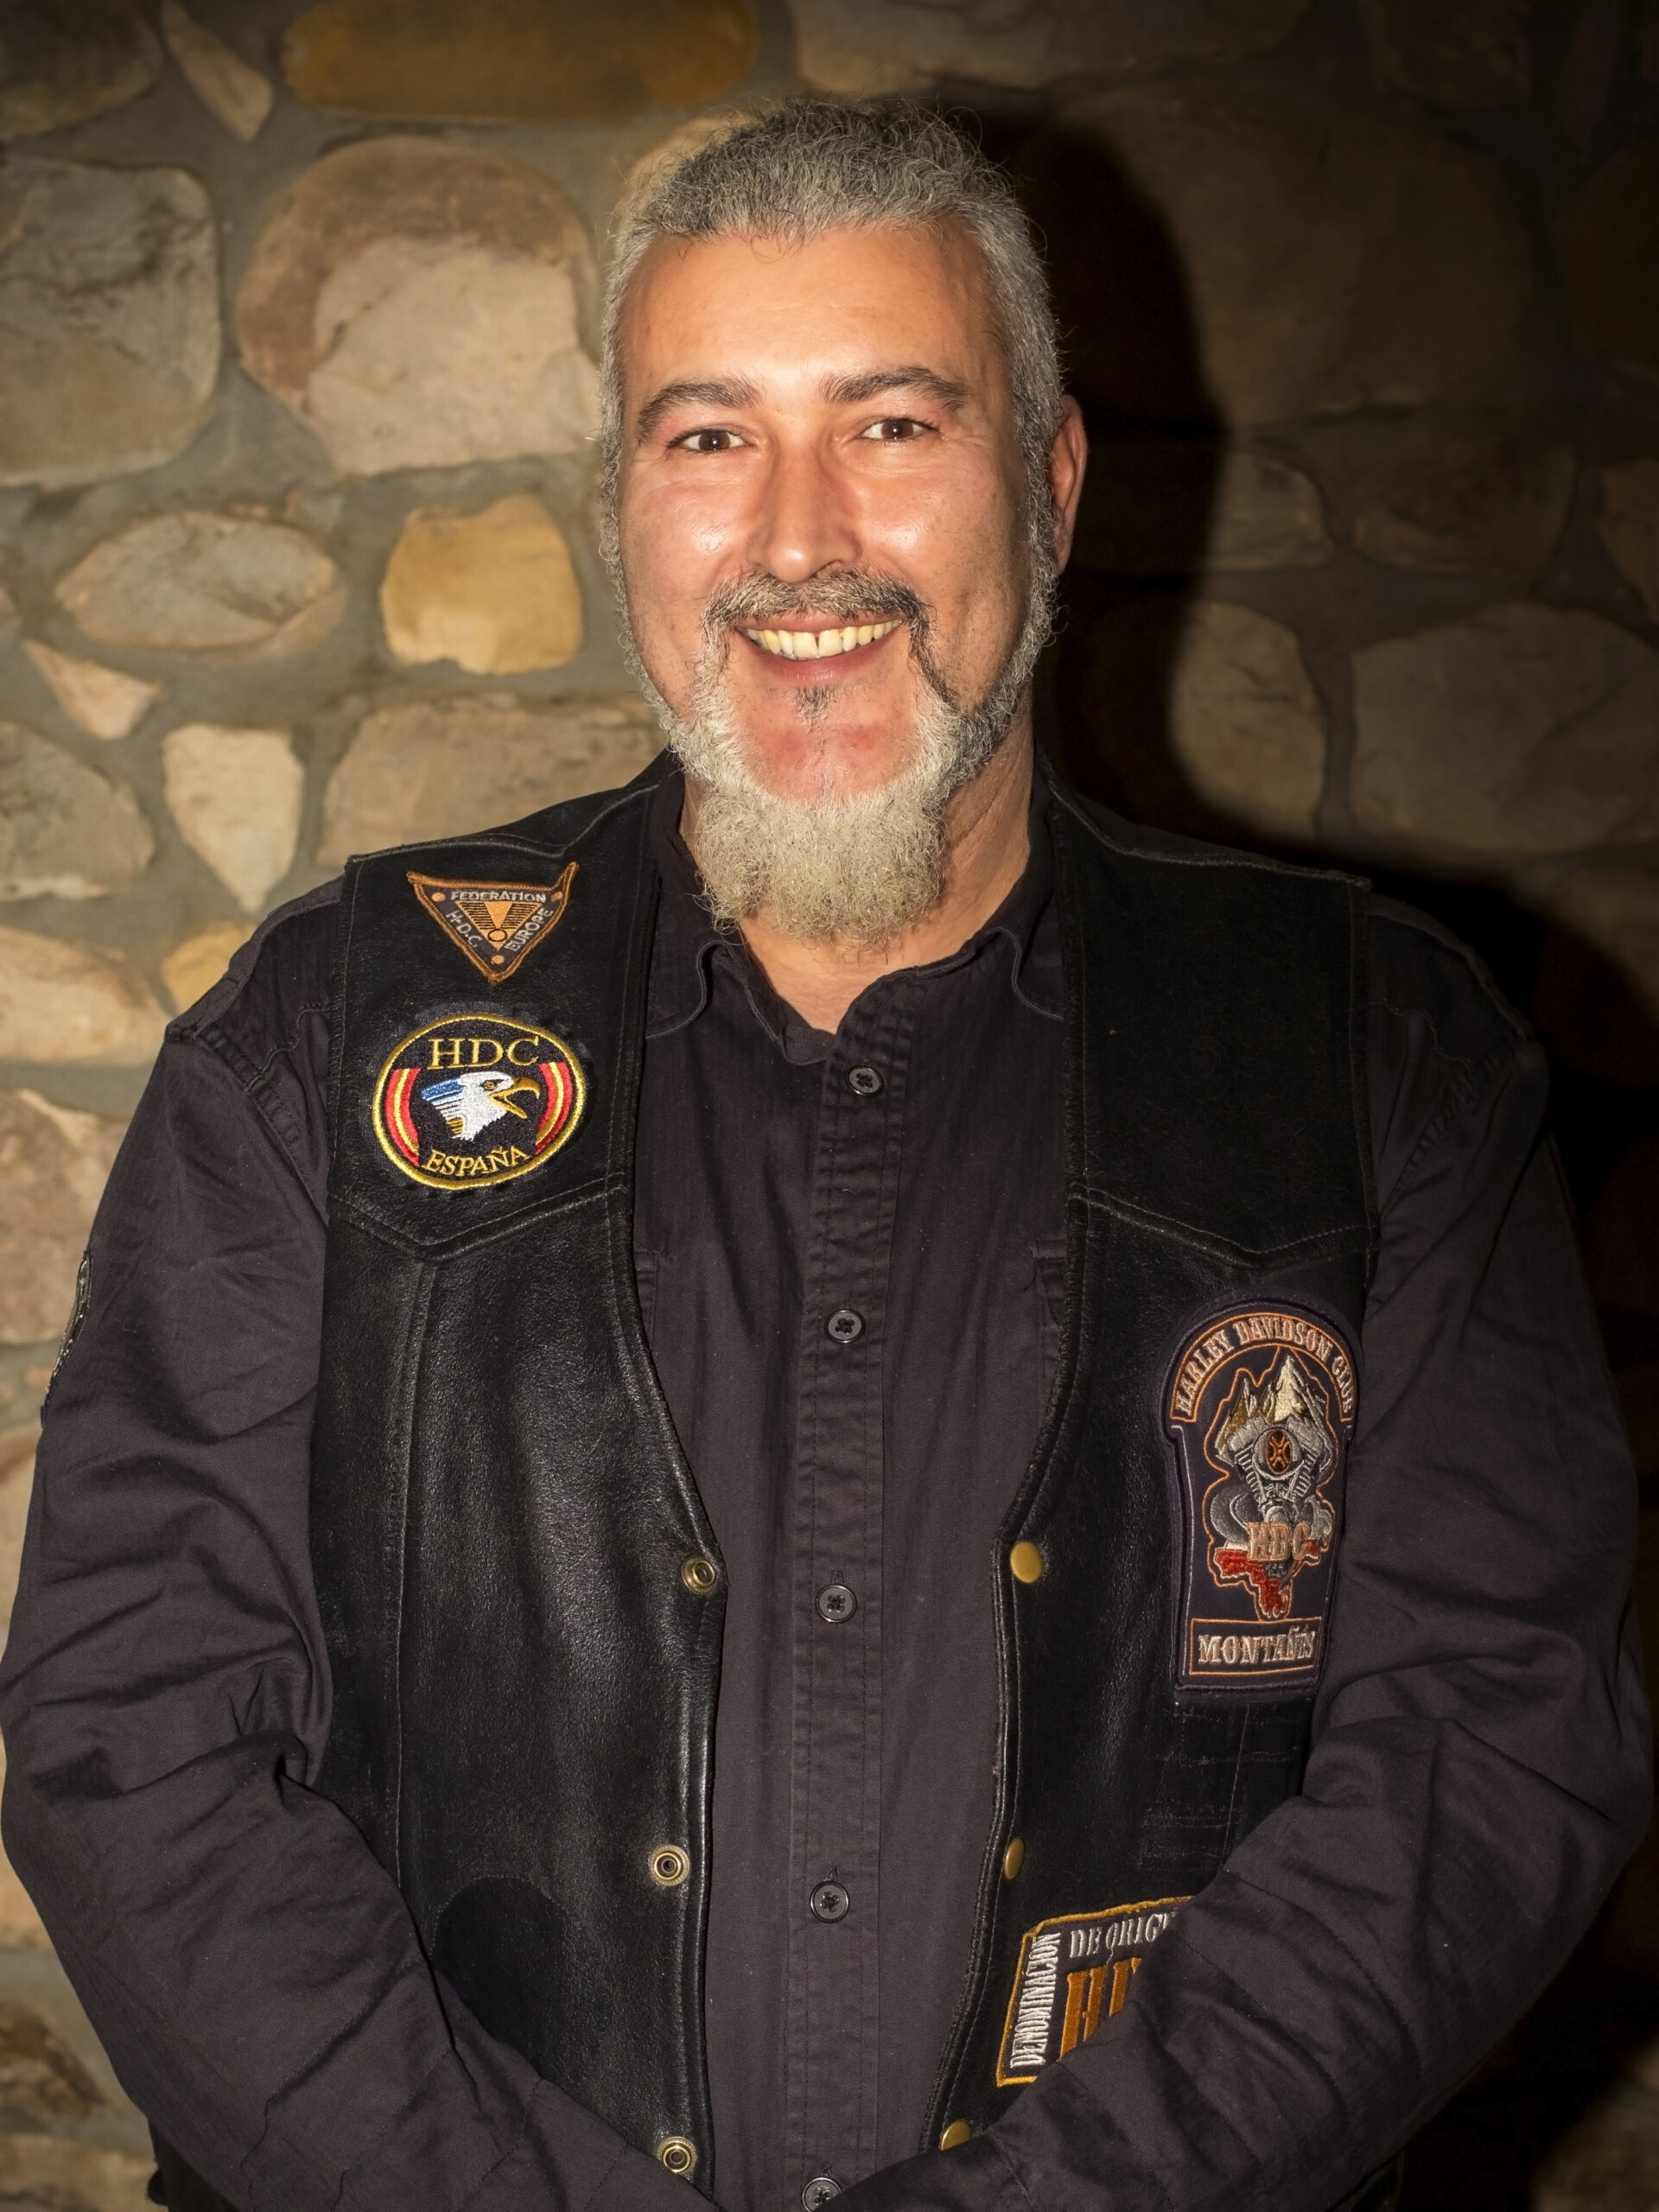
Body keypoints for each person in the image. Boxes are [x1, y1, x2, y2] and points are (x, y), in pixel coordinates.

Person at [0, 99, 1647, 2212]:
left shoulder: (1379, 1049)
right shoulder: (323, 1038)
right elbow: (134, 1728)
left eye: (891, 423)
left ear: (1048, 482)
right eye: (708, 435)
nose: (798, 540)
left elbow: (1490, 1743)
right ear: (620, 510)